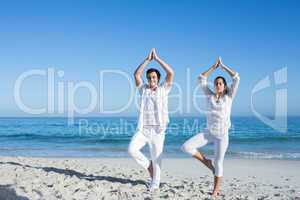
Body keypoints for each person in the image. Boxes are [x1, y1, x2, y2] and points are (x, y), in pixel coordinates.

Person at [181, 57, 240, 197]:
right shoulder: (209, 96)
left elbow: (237, 78)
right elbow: (201, 78)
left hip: (222, 135)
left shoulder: (229, 97)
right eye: (216, 83)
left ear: (225, 86)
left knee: (219, 163)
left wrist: (223, 66)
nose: (218, 85)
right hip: (208, 132)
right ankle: (207, 162)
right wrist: (214, 67)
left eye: (220, 83)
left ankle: (215, 191)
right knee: (186, 147)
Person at [128, 48, 174, 190]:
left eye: (154, 77)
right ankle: (149, 167)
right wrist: (148, 59)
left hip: (158, 130)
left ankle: (155, 184)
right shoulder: (144, 90)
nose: (151, 80)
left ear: (158, 79)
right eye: (149, 78)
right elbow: (136, 74)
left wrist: (157, 58)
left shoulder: (163, 89)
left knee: (157, 158)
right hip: (144, 129)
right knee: (132, 149)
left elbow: (170, 72)